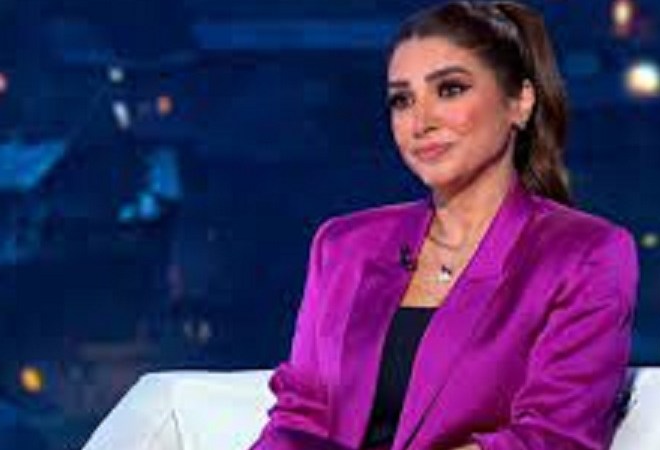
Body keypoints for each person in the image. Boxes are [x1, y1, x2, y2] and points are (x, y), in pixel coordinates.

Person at [251, 1, 638, 449]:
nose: (420, 122)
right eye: (402, 100)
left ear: (520, 102)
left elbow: (551, 437)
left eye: (450, 89)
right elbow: (299, 416)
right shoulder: (344, 246)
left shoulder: (587, 254)